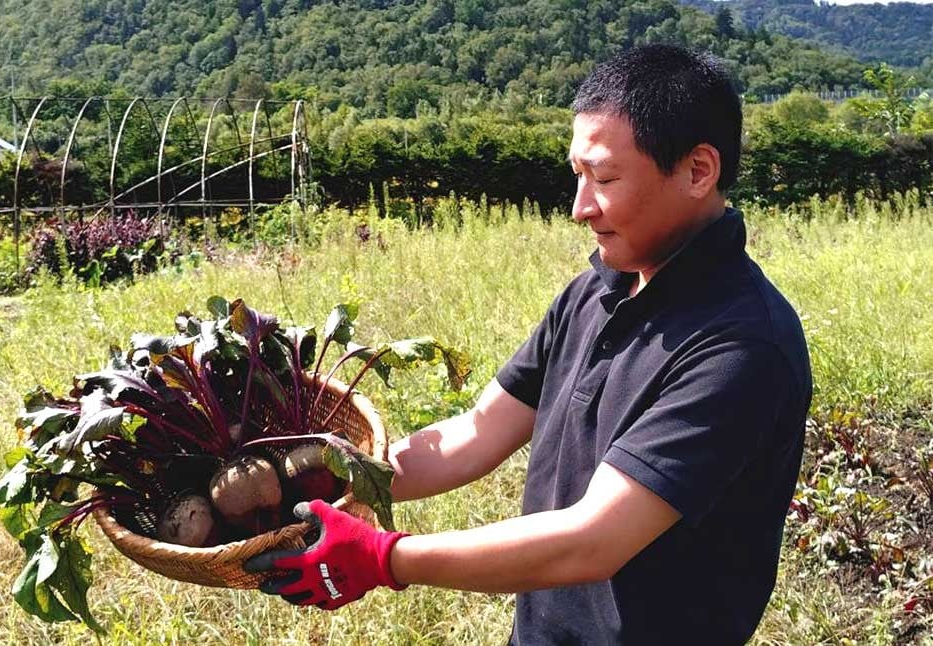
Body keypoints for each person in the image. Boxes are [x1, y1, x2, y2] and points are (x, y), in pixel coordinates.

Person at [246, 44, 812, 645]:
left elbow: (592, 541)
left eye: (606, 178)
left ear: (699, 171)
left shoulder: (740, 346)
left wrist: (385, 558)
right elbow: (477, 433)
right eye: (578, 175)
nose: (579, 207)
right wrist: (323, 474)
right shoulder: (593, 293)